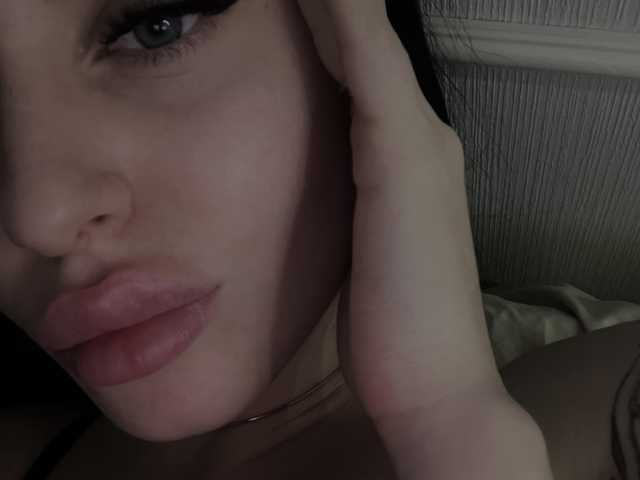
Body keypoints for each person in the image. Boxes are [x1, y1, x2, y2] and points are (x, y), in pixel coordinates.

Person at [3, 0, 615, 478]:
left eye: (155, 26)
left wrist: (448, 422)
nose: (38, 218)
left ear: (349, 44)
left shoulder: (611, 411)